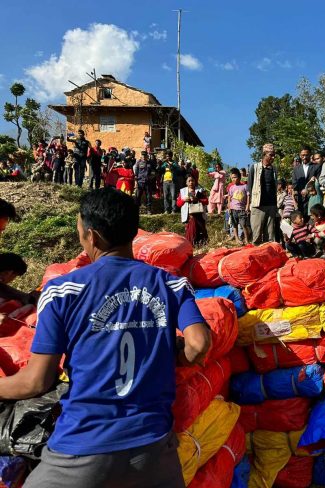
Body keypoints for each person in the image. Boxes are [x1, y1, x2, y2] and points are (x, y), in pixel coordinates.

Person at [0, 188, 211, 488]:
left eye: (80, 231)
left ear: (93, 236)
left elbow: (35, 381)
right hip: (153, 449)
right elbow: (199, 343)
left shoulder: (63, 290)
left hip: (82, 450)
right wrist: (172, 356)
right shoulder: (172, 284)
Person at [247, 143, 278, 244]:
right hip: (258, 205)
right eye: (271, 155)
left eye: (274, 155)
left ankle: (268, 257)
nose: (273, 157)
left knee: (270, 235)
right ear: (264, 154)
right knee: (256, 234)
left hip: (271, 205)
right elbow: (249, 188)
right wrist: (248, 204)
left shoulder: (274, 169)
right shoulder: (254, 167)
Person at [177, 175, 209, 247]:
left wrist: (198, 200)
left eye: (192, 181)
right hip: (190, 216)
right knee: (191, 231)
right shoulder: (183, 191)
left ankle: (202, 245)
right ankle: (191, 245)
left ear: (195, 182)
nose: (191, 182)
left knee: (201, 230)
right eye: (189, 181)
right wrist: (184, 200)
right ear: (186, 183)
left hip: (199, 215)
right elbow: (178, 204)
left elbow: (206, 201)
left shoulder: (200, 190)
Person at [292, 145, 321, 214]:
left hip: (314, 198)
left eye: (306, 155)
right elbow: (294, 183)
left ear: (310, 155)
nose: (304, 157)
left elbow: (319, 181)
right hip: (301, 200)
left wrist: (307, 190)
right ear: (300, 155)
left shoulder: (316, 167)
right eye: (302, 155)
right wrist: (301, 191)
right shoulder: (296, 169)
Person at [227, 168, 251, 245]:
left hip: (242, 209)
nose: (234, 179)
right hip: (233, 209)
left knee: (243, 224)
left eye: (235, 177)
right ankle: (237, 239)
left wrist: (247, 206)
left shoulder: (244, 186)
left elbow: (248, 196)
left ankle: (246, 239)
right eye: (232, 177)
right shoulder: (231, 187)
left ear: (239, 177)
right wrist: (229, 207)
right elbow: (229, 197)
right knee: (234, 225)